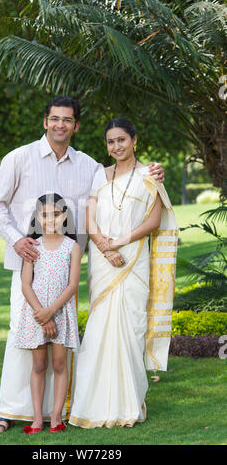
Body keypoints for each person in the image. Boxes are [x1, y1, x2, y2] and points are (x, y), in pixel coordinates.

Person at [0, 96, 165, 433]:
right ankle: (9, 410)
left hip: (68, 270)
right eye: (54, 119)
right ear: (45, 122)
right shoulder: (19, 158)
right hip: (28, 265)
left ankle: (58, 412)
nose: (60, 125)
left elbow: (121, 179)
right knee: (23, 336)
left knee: (62, 338)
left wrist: (154, 171)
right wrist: (16, 239)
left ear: (76, 126)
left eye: (67, 120)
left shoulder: (89, 166)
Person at [69, 118, 178, 429]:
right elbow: (90, 217)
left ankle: (129, 404)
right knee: (99, 328)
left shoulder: (149, 175)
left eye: (121, 140)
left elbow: (154, 220)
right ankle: (90, 406)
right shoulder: (98, 176)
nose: (116, 146)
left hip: (133, 259)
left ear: (134, 140)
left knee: (130, 329)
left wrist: (120, 241)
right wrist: (104, 246)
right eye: (110, 142)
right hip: (104, 261)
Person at [14, 193, 81, 434]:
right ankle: (36, 418)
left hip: (60, 313)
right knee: (39, 365)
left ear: (65, 216)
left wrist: (52, 313)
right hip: (36, 315)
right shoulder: (32, 246)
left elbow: (72, 285)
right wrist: (42, 315)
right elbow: (25, 284)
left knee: (61, 365)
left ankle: (56, 417)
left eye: (56, 214)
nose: (51, 219)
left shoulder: (73, 247)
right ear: (37, 218)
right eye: (45, 215)